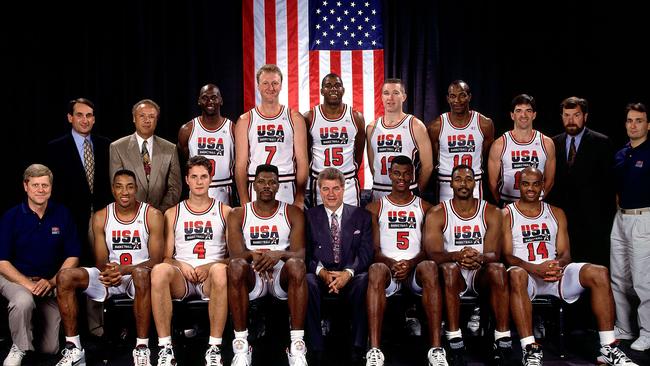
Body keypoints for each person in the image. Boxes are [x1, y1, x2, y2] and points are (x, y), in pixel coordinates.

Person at [503, 167, 638, 366]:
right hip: (526, 276)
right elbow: (506, 256)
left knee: (599, 272)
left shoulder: (556, 212)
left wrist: (557, 266)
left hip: (554, 274)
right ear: (518, 186)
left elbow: (565, 253)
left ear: (542, 186)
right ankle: (530, 349)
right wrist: (535, 269)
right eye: (525, 184)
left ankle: (608, 348)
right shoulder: (506, 213)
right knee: (515, 274)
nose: (530, 188)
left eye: (535, 184)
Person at [54, 169, 164, 366]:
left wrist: (124, 270)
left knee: (140, 274)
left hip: (138, 276)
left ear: (136, 189)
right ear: (113, 189)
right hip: (110, 275)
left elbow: (156, 259)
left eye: (130, 187)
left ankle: (142, 348)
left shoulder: (152, 214)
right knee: (64, 277)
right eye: (120, 186)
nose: (125, 192)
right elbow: (100, 259)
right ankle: (74, 349)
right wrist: (109, 272)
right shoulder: (101, 216)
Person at [426, 164, 512, 366]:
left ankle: (502, 338)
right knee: (448, 269)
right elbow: (433, 254)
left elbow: (494, 254)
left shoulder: (491, 212)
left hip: (479, 274)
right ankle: (454, 337)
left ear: (475, 182)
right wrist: (458, 255)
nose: (463, 184)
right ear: (451, 183)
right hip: (452, 275)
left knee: (498, 269)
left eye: (468, 179)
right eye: (458, 180)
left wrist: (479, 258)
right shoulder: (437, 212)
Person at [364, 155, 446, 366]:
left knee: (429, 267)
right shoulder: (375, 207)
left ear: (413, 176)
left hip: (415, 270)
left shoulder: (426, 207)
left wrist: (410, 264)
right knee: (375, 269)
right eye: (397, 173)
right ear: (390, 174)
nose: (402, 178)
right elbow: (374, 250)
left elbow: (428, 250)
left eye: (407, 173)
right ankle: (374, 351)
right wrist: (392, 264)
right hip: (386, 270)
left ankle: (436, 350)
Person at [151, 156, 231, 366]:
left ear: (211, 179)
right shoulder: (173, 213)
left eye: (203, 176)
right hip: (182, 277)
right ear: (186, 179)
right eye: (194, 177)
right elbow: (166, 256)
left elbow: (233, 258)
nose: (199, 181)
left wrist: (209, 266)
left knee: (221, 271)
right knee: (159, 270)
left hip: (211, 278)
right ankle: (164, 348)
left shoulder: (225, 211)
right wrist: (181, 265)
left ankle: (214, 348)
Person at [227, 164, 308, 366]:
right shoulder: (238, 214)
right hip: (254, 276)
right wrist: (253, 255)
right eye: (262, 181)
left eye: (272, 182)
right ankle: (242, 347)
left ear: (278, 185)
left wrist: (279, 254)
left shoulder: (292, 212)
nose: (266, 186)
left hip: (281, 276)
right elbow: (236, 254)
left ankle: (297, 347)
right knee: (236, 266)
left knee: (297, 266)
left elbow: (300, 253)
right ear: (254, 184)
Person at [0, 164, 81, 365]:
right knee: (23, 302)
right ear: (25, 186)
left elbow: (73, 256)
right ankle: (18, 347)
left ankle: (27, 336)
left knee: (49, 348)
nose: (40, 190)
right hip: (16, 279)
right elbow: (2, 262)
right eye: (35, 185)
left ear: (51, 188)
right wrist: (28, 286)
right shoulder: (11, 217)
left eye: (45, 185)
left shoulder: (62, 214)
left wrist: (53, 281)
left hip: (49, 282)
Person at [305, 167, 373, 365]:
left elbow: (365, 252)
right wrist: (321, 272)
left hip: (349, 275)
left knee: (363, 281)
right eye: (325, 189)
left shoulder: (362, 216)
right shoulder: (309, 216)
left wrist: (348, 273)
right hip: (321, 275)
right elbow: (305, 252)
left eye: (336, 188)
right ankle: (315, 348)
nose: (331, 194)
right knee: (307, 281)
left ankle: (358, 347)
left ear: (344, 189)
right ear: (319, 190)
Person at [546, 96, 615, 266]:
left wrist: (604, 221)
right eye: (566, 115)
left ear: (585, 116)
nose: (571, 120)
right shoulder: (553, 143)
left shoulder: (602, 143)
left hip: (593, 222)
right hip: (563, 222)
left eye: (576, 115)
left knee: (593, 268)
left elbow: (609, 186)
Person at [45, 97, 112, 266]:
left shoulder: (107, 145)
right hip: (69, 216)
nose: (85, 120)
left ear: (94, 119)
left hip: (101, 216)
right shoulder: (55, 148)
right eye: (80, 115)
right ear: (70, 117)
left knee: (100, 265)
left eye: (89, 115)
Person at [234, 64, 309, 207]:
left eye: (275, 83)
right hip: (256, 186)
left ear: (281, 86)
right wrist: (244, 200)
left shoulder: (295, 118)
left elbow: (302, 162)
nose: (271, 88)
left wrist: (299, 198)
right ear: (258, 86)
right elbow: (240, 166)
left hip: (286, 184)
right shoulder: (246, 120)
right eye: (265, 83)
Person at [610, 102, 650, 351]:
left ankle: (648, 331)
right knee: (619, 277)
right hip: (621, 217)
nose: (633, 125)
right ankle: (624, 326)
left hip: (644, 218)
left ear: (648, 124)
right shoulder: (621, 153)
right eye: (629, 120)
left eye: (638, 120)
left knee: (643, 280)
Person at [304, 73, 366, 206]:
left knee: (350, 224)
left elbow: (359, 152)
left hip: (347, 181)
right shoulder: (310, 117)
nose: (333, 89)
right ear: (321, 91)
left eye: (337, 85)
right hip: (321, 181)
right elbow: (306, 152)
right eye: (328, 86)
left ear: (343, 90)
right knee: (322, 225)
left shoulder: (356, 117)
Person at [428, 80, 495, 203]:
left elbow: (486, 155)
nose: (457, 100)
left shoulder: (484, 124)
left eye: (462, 95)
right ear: (448, 99)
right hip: (445, 183)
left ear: (469, 97)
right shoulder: (436, 126)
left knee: (473, 221)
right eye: (453, 96)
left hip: (473, 183)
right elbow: (433, 157)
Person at [110, 99, 182, 213]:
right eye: (142, 116)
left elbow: (175, 188)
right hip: (129, 216)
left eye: (151, 116)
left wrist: (157, 213)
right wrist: (135, 214)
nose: (147, 120)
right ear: (134, 118)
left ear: (157, 120)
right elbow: (117, 187)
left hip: (161, 216)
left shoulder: (170, 148)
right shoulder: (117, 147)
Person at [366, 79, 433, 200]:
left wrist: (415, 190)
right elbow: (373, 167)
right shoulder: (372, 127)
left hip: (406, 193)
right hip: (379, 193)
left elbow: (428, 166)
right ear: (381, 97)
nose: (390, 98)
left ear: (404, 97)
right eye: (386, 93)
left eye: (395, 93)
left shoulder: (415, 125)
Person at [487, 94, 556, 206]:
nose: (523, 115)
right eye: (518, 110)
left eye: (528, 111)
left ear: (534, 115)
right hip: (508, 203)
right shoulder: (500, 144)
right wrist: (503, 204)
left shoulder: (547, 143)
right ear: (512, 115)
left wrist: (536, 201)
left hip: (536, 205)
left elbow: (549, 181)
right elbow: (492, 183)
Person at [177, 84, 236, 205]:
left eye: (214, 97)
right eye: (205, 97)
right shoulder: (188, 129)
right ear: (199, 101)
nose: (210, 101)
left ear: (221, 100)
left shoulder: (232, 128)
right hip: (196, 189)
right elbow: (183, 161)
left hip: (224, 188)